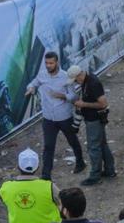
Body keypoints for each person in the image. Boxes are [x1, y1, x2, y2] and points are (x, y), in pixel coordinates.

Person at [0, 149, 61, 223]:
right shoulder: (48, 186)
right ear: (37, 166)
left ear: (18, 166)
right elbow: (62, 203)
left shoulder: (6, 188)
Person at [26, 52, 84, 181]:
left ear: (57, 62)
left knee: (72, 141)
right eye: (46, 63)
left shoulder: (65, 77)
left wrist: (62, 96)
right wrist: (30, 89)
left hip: (64, 116)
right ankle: (46, 175)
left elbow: (74, 96)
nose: (48, 65)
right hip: (48, 118)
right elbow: (33, 83)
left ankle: (80, 163)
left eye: (51, 63)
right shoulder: (42, 75)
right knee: (48, 146)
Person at [67, 65, 115, 186]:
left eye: (76, 80)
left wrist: (83, 104)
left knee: (94, 147)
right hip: (95, 119)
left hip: (94, 120)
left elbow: (103, 103)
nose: (76, 82)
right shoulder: (88, 81)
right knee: (102, 145)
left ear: (79, 75)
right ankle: (110, 170)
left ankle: (95, 176)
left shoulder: (93, 83)